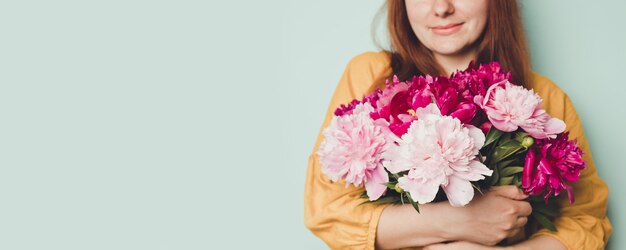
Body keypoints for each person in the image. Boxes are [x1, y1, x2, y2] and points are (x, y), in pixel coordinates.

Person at [303, 0, 613, 249]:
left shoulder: (545, 96)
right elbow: (328, 212)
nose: (441, 8)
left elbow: (586, 219)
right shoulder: (371, 76)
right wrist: (459, 221)